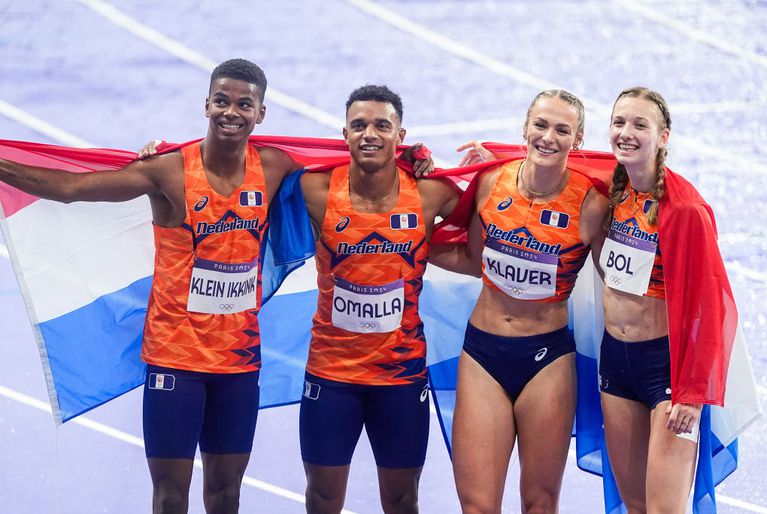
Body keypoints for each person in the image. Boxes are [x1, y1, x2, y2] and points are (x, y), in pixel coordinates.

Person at [0, 58, 310, 514]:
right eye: (221, 100)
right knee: (170, 498)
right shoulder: (167, 171)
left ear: (260, 114)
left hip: (238, 363)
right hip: (175, 361)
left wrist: (407, 157)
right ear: (206, 104)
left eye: (244, 104)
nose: (231, 112)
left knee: (226, 496)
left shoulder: (274, 165)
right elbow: (71, 188)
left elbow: (348, 164)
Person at [298, 85, 459, 514]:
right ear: (344, 134)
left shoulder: (430, 193)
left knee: (403, 500)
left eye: (381, 126)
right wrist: (166, 151)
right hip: (332, 373)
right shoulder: (314, 189)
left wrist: (443, 166)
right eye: (359, 125)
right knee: (323, 498)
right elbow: (251, 167)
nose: (370, 133)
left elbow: (494, 213)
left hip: (400, 376)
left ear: (400, 135)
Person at [449, 90, 607, 513]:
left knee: (539, 503)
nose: (548, 137)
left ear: (578, 139)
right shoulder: (489, 183)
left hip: (547, 361)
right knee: (477, 506)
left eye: (562, 129)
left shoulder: (592, 206)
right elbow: (472, 258)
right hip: (483, 353)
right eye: (541, 125)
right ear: (525, 128)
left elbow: (619, 281)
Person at [597, 86, 704, 513]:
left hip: (667, 370)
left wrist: (693, 391)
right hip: (615, 363)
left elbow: (707, 307)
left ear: (663, 137)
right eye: (619, 122)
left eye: (640, 124)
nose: (627, 132)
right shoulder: (611, 188)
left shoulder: (685, 209)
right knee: (636, 505)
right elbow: (552, 157)